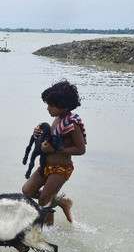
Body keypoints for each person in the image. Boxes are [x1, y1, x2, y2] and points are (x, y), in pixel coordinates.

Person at [22, 80, 86, 225]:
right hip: (46, 166)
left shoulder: (72, 123)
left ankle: (50, 228)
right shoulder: (57, 119)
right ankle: (63, 202)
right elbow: (51, 137)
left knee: (44, 200)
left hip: (61, 169)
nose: (48, 109)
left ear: (65, 106)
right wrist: (37, 133)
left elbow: (81, 149)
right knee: (27, 191)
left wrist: (55, 150)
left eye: (51, 106)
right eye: (47, 105)